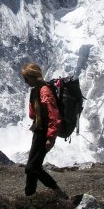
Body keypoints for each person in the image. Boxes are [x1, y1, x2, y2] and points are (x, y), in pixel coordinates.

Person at [21, 62, 68, 198]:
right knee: (32, 167)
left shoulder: (44, 91)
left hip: (43, 134)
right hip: (39, 131)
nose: (25, 82)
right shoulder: (38, 90)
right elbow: (32, 114)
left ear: (33, 77)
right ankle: (29, 195)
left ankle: (57, 192)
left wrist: (50, 138)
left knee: (32, 167)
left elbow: (54, 116)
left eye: (26, 78)